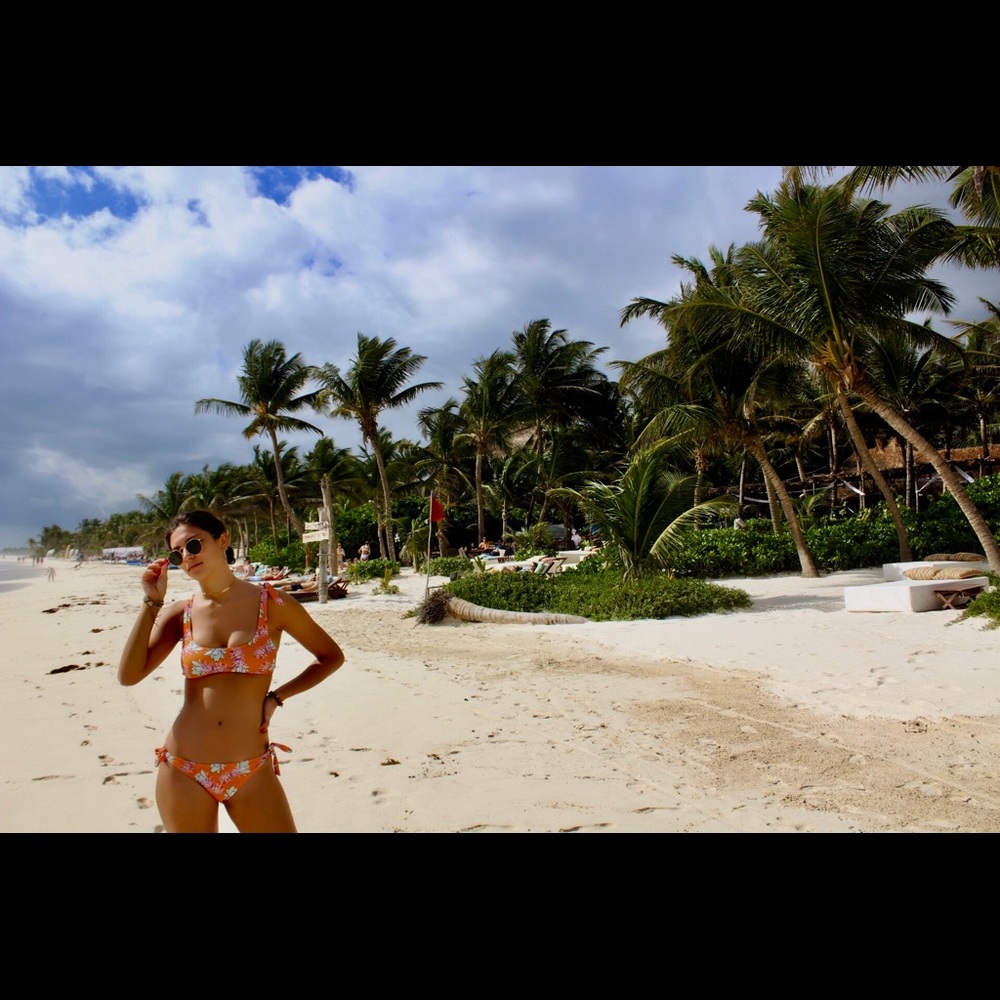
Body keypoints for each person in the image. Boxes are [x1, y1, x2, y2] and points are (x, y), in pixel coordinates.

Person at [118, 510, 345, 833]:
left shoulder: (273, 604)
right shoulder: (179, 613)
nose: (186, 557)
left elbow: (330, 656)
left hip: (251, 769)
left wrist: (278, 697)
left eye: (193, 545)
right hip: (184, 769)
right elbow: (129, 675)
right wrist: (151, 602)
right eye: (177, 553)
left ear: (222, 539)